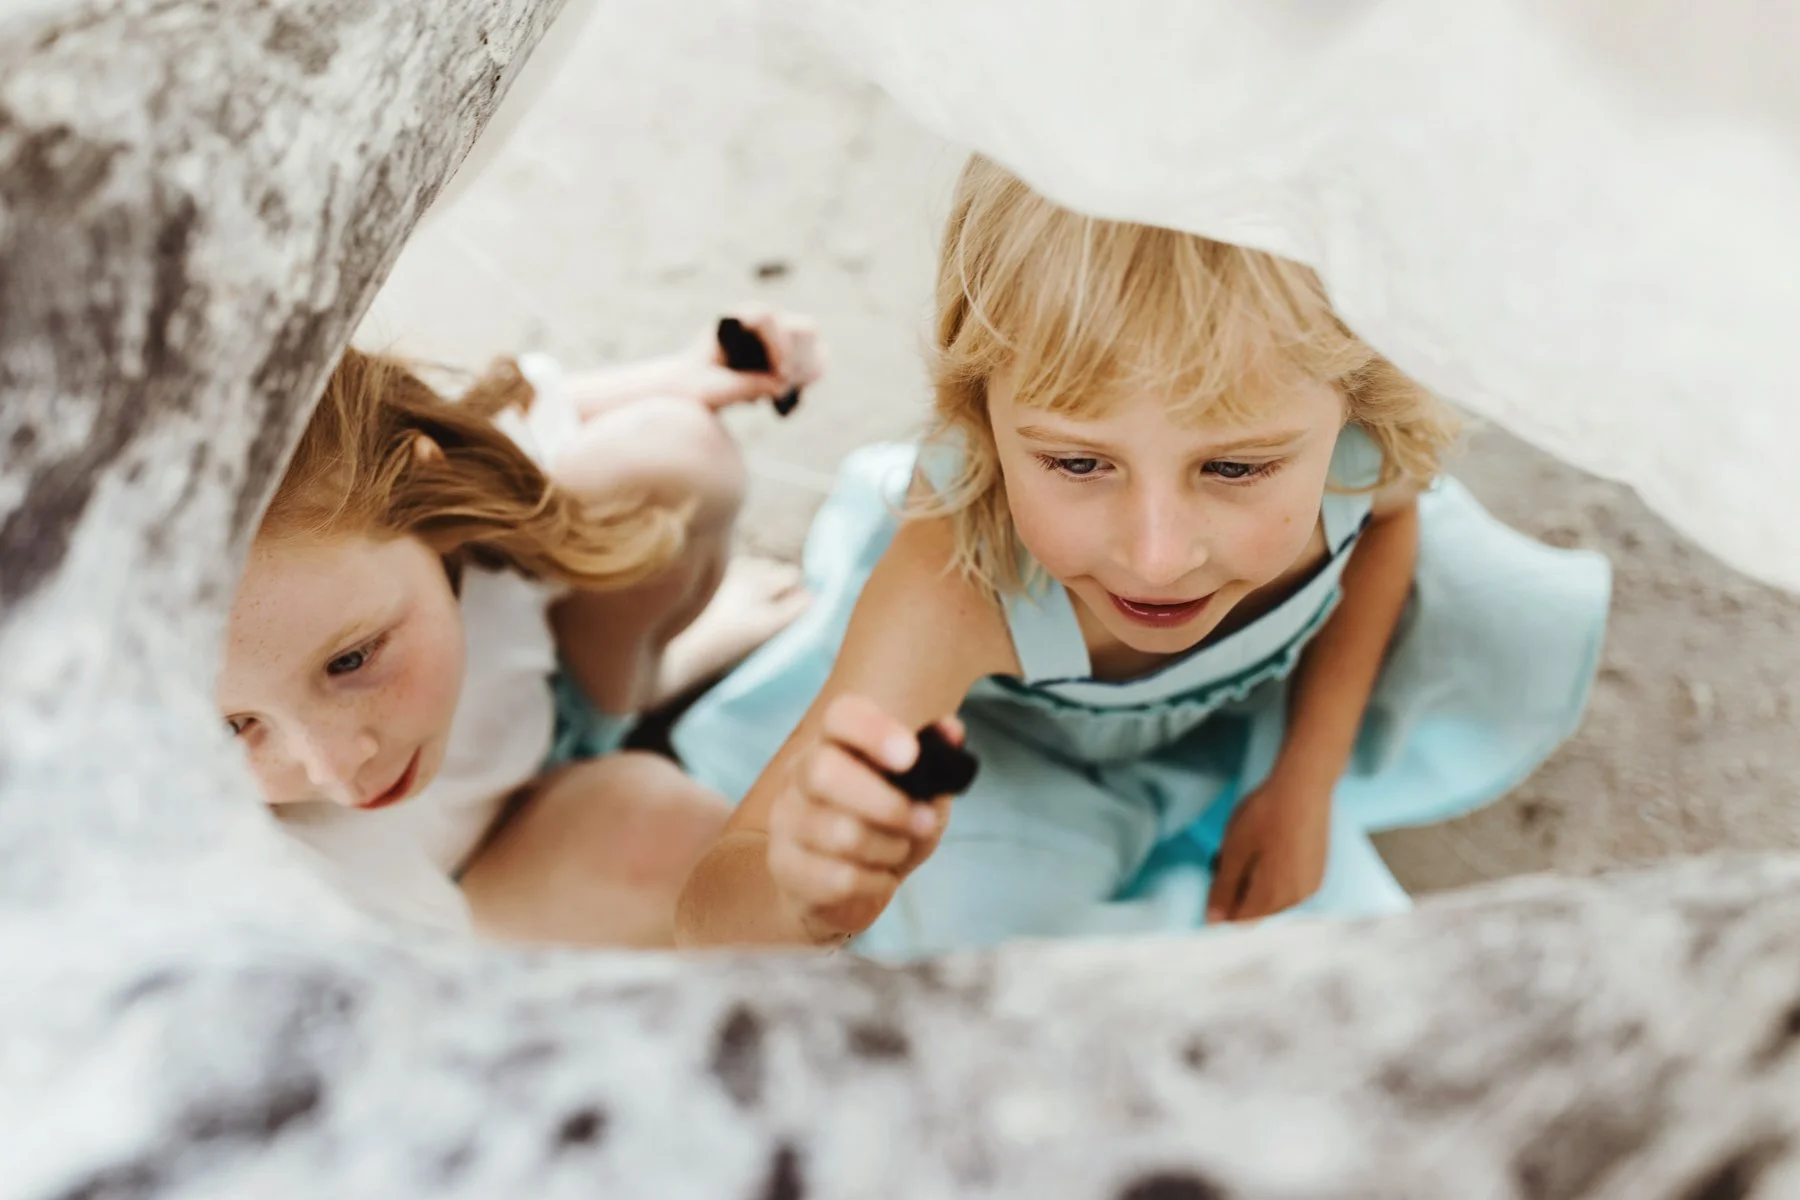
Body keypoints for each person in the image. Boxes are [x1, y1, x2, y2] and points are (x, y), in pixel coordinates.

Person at [671, 156, 1611, 959]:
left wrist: (1302, 780)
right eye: (1078, 462)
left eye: (1235, 467)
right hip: (1025, 759)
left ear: (1354, 401)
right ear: (979, 415)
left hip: (1252, 711)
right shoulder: (956, 586)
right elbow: (710, 905)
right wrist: (804, 886)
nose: (1157, 558)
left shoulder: (1360, 451)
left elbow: (1391, 527)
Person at [215, 314, 820, 945]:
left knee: (677, 447)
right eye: (231, 725)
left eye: (351, 660)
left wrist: (686, 375)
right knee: (668, 838)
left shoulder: (379, 496)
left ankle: (648, 684)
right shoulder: (269, 866)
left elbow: (515, 421)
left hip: (560, 704)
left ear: (427, 496)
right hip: (493, 871)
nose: (335, 766)